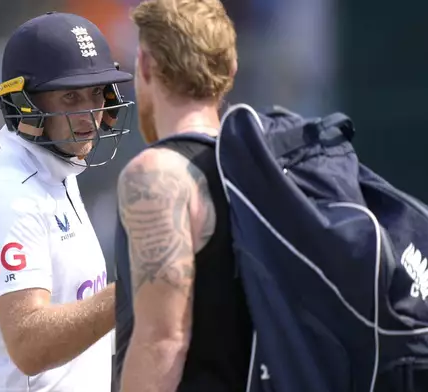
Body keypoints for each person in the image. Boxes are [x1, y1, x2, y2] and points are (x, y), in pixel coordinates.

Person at [0, 11, 134, 392]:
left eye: (95, 92)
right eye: (70, 96)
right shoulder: (9, 193)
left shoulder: (57, 174)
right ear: (26, 104)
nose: (90, 112)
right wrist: (135, 290)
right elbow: (30, 344)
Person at [115, 0, 253, 391]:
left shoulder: (157, 175)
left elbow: (163, 340)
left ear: (144, 65)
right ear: (230, 70)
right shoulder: (265, 168)